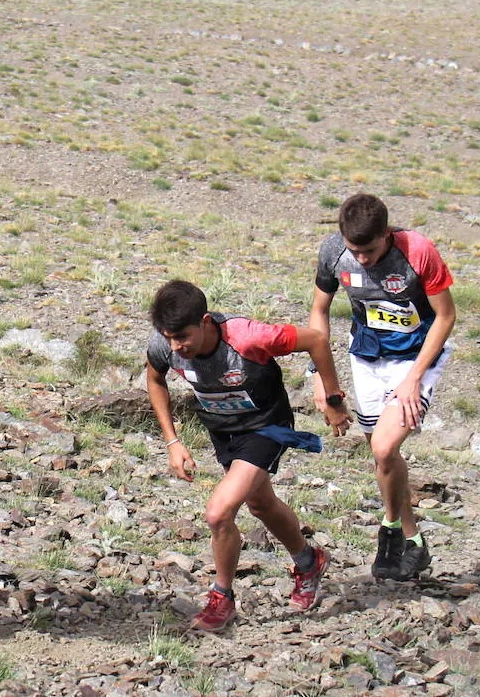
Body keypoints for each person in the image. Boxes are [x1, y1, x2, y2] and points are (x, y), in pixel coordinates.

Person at [145, 279, 351, 632]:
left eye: (183, 338)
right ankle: (308, 561)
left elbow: (315, 340)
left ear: (205, 321)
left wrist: (332, 397)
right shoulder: (165, 346)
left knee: (218, 512)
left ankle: (221, 598)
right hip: (224, 431)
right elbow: (155, 379)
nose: (177, 347)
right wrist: (172, 442)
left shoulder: (248, 336)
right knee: (261, 505)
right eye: (169, 338)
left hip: (267, 426)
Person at [309, 193, 456, 583]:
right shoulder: (333, 251)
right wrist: (322, 380)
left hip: (415, 357)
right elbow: (318, 312)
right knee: (383, 458)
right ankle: (414, 541)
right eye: (355, 251)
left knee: (384, 446)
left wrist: (413, 379)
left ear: (387, 234)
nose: (362, 259)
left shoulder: (419, 251)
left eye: (370, 250)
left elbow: (446, 316)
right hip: (368, 355)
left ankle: (390, 530)